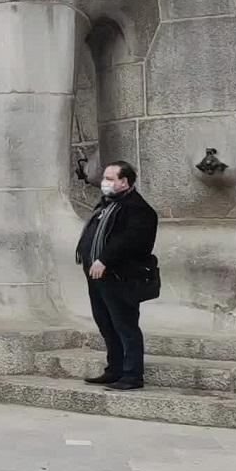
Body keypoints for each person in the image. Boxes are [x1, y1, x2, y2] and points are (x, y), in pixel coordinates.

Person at [76, 161, 158, 391]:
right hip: (98, 277)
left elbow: (130, 241)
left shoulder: (137, 209)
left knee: (125, 325)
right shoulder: (107, 205)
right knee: (106, 324)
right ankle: (114, 369)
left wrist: (105, 259)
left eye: (111, 179)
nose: (105, 183)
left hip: (121, 277)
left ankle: (132, 375)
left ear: (125, 182)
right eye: (105, 178)